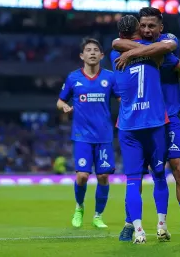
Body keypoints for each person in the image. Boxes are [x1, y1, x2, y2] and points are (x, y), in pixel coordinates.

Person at [112, 7, 180, 243]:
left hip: (169, 114)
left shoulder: (168, 41)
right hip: (141, 118)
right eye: (142, 25)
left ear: (160, 27)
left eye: (151, 26)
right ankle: (129, 223)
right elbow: (116, 42)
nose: (146, 30)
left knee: (178, 167)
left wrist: (134, 53)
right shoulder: (129, 43)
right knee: (137, 173)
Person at [57, 37, 118, 229]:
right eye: (88, 50)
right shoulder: (73, 78)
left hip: (104, 136)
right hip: (82, 136)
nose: (92, 53)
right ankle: (79, 207)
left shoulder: (110, 78)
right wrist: (65, 107)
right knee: (82, 176)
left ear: (101, 55)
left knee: (103, 177)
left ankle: (98, 216)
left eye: (95, 50)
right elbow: (60, 101)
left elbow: (122, 99)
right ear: (82, 55)